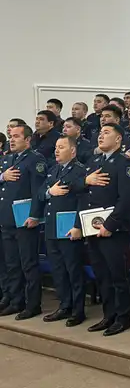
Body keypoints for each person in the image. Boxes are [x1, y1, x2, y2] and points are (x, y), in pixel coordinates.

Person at [75, 123, 130, 336]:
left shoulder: (125, 163)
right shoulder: (94, 162)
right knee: (102, 275)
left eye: (107, 133)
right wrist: (86, 181)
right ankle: (108, 315)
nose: (101, 136)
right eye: (100, 133)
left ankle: (123, 317)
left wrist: (110, 225)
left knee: (118, 275)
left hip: (113, 230)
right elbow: (82, 193)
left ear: (118, 139)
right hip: (92, 228)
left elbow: (127, 199)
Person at [36, 135, 87, 326]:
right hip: (51, 227)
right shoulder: (53, 170)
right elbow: (40, 193)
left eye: (61, 147)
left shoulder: (80, 171)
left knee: (73, 270)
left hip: (68, 227)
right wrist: (50, 192)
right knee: (58, 270)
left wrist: (78, 226)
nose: (56, 150)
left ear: (72, 151)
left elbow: (83, 201)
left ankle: (78, 310)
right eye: (56, 147)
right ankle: (65, 305)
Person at [0, 125, 47, 319]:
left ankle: (33, 304)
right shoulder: (8, 159)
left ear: (27, 140)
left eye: (16, 136)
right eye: (10, 136)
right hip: (7, 219)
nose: (11, 140)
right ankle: (15, 301)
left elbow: (38, 190)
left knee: (28, 264)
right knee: (12, 264)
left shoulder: (35, 159)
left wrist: (35, 215)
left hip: (25, 219)